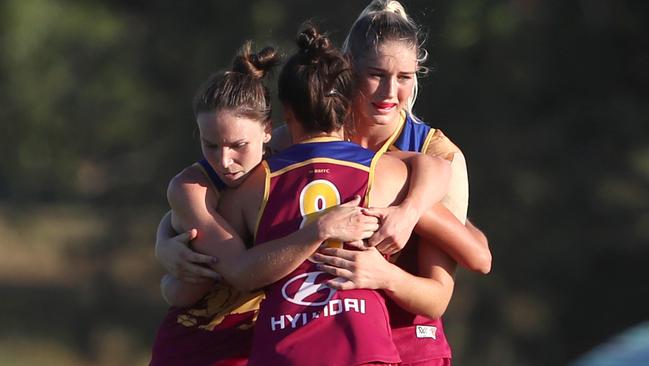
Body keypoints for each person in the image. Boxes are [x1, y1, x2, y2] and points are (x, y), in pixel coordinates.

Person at [211, 25, 455, 365]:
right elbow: (441, 169)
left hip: (286, 352)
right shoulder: (385, 172)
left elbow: (234, 269)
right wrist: (410, 211)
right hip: (364, 351)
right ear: (347, 104)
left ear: (286, 113)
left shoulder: (254, 184)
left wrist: (168, 239)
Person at [149, 41, 384, 366]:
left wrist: (410, 207)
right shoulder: (192, 187)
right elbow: (237, 274)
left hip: (260, 344)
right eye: (210, 145)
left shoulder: (290, 152)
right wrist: (321, 228)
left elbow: (427, 165)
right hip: (197, 347)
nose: (224, 160)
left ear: (268, 130)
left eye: (237, 145)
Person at [316, 1, 492, 365]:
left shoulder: (438, 153)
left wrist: (386, 269)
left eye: (405, 77)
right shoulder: (313, 135)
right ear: (348, 66)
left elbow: (454, 281)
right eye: (376, 74)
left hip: (407, 343)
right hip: (322, 337)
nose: (390, 92)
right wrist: (170, 238)